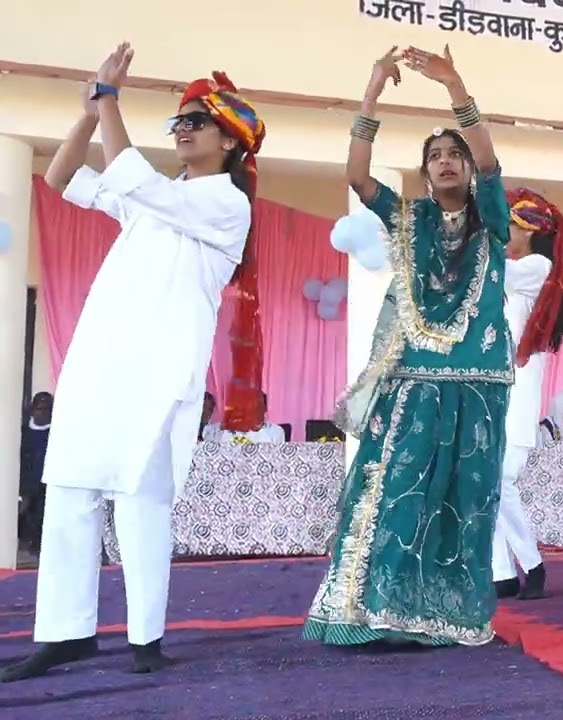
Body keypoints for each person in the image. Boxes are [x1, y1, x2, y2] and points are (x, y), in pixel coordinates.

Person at [2, 45, 265, 682]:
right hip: (101, 359)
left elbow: (129, 175)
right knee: (68, 491)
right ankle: (65, 634)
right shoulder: (156, 198)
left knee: (142, 502)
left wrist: (109, 97)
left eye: (194, 121)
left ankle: (146, 637)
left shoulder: (226, 204)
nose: (180, 129)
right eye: (176, 121)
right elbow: (64, 178)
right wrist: (92, 113)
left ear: (229, 143)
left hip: (158, 370)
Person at [304, 44, 511, 648]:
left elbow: (493, 161)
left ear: (468, 171)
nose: (447, 162)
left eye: (455, 155)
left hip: (480, 381)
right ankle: (378, 609)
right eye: (436, 156)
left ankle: (450, 616)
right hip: (415, 376)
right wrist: (372, 91)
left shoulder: (493, 219)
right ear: (425, 174)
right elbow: (358, 178)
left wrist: (455, 88)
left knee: (468, 501)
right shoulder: (409, 221)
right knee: (399, 494)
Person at [492, 188, 563, 601]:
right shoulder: (516, 270)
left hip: (519, 389)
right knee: (486, 478)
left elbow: (490, 268)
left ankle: (533, 564)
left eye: (509, 226)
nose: (503, 234)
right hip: (496, 384)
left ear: (528, 232)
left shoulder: (538, 266)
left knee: (500, 478)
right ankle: (501, 573)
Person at [18, 392, 54, 555]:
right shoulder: (22, 431)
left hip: (48, 483)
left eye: (47, 409)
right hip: (27, 483)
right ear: (32, 410)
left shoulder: (56, 433)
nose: (43, 413)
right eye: (40, 408)